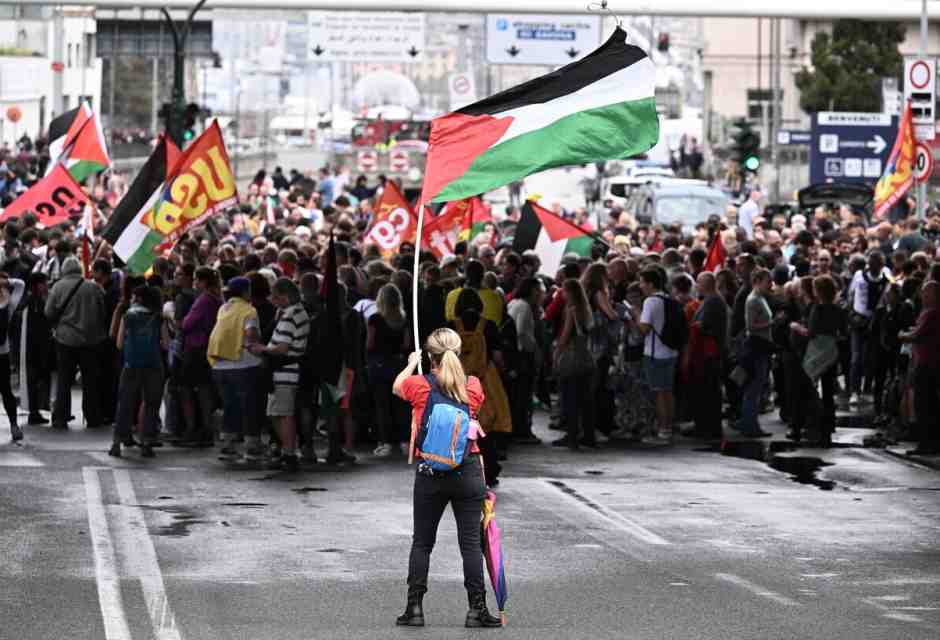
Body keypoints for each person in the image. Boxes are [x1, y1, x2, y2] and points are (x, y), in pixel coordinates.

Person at [392, 328, 502, 629]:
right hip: (467, 470)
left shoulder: (419, 386)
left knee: (422, 542)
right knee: (469, 543)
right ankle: (476, 608)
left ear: (431, 356)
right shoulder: (474, 386)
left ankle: (414, 608)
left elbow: (397, 386)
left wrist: (412, 363)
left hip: (430, 472)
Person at [249, 278, 310, 471]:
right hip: (285, 372)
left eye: (275, 298)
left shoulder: (291, 315)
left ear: (284, 297)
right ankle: (288, 450)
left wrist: (262, 349)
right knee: (277, 413)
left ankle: (289, 453)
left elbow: (282, 347)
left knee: (283, 415)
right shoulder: (295, 312)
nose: (273, 301)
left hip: (285, 371)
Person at [45, 256, 107, 430]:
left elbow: (48, 312)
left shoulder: (57, 287)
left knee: (64, 379)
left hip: (65, 340)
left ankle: (60, 418)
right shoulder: (93, 287)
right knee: (90, 380)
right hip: (90, 341)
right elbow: (103, 312)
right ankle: (93, 417)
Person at [208, 277, 263, 461]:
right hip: (244, 364)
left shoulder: (223, 308)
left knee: (229, 405)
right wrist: (260, 351)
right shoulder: (249, 310)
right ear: (245, 291)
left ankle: (228, 444)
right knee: (249, 406)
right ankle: (252, 445)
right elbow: (251, 335)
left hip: (219, 365)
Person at [109, 285, 166, 458]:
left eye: (133, 297)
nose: (131, 300)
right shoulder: (158, 317)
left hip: (131, 365)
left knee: (125, 404)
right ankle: (146, 443)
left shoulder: (128, 316)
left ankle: (117, 443)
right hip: (154, 365)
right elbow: (166, 343)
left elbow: (119, 344)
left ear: (139, 298)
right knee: (151, 404)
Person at [632, 268, 679, 441]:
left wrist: (636, 313)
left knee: (659, 392)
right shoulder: (668, 298)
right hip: (671, 351)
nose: (641, 285)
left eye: (643, 282)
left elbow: (644, 329)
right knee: (668, 392)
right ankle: (669, 426)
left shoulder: (651, 302)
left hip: (655, 353)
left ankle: (663, 429)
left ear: (651, 284)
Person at [367, 283, 411, 457]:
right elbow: (406, 344)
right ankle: (404, 441)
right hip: (399, 366)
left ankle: (386, 442)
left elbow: (369, 344)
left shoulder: (375, 319)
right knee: (401, 406)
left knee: (382, 405)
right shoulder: (403, 320)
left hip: (380, 366)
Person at [553, 278, 596, 449]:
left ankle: (572, 437)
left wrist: (557, 352)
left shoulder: (571, 310)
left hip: (572, 358)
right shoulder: (586, 310)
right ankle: (589, 435)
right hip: (585, 357)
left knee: (570, 398)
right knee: (585, 399)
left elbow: (566, 335)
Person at [899, 280, 940, 455]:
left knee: (923, 404)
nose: (922, 295)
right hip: (929, 361)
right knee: (929, 403)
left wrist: (902, 334)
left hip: (927, 363)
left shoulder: (931, 313)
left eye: (925, 292)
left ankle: (926, 443)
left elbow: (916, 335)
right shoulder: (930, 313)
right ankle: (931, 441)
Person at [734, 268, 774, 438]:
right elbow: (751, 326)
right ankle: (749, 424)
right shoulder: (753, 300)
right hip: (756, 347)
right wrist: (771, 323)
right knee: (754, 387)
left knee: (756, 386)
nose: (770, 284)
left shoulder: (760, 299)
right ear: (758, 281)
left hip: (761, 346)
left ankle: (749, 422)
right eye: (767, 281)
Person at [0, 272, 25, 441]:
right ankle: (14, 425)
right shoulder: (8, 303)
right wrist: (6, 281)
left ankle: (14, 424)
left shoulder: (8, 303)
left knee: (6, 391)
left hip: (3, 354)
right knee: (6, 391)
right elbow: (20, 284)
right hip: (3, 352)